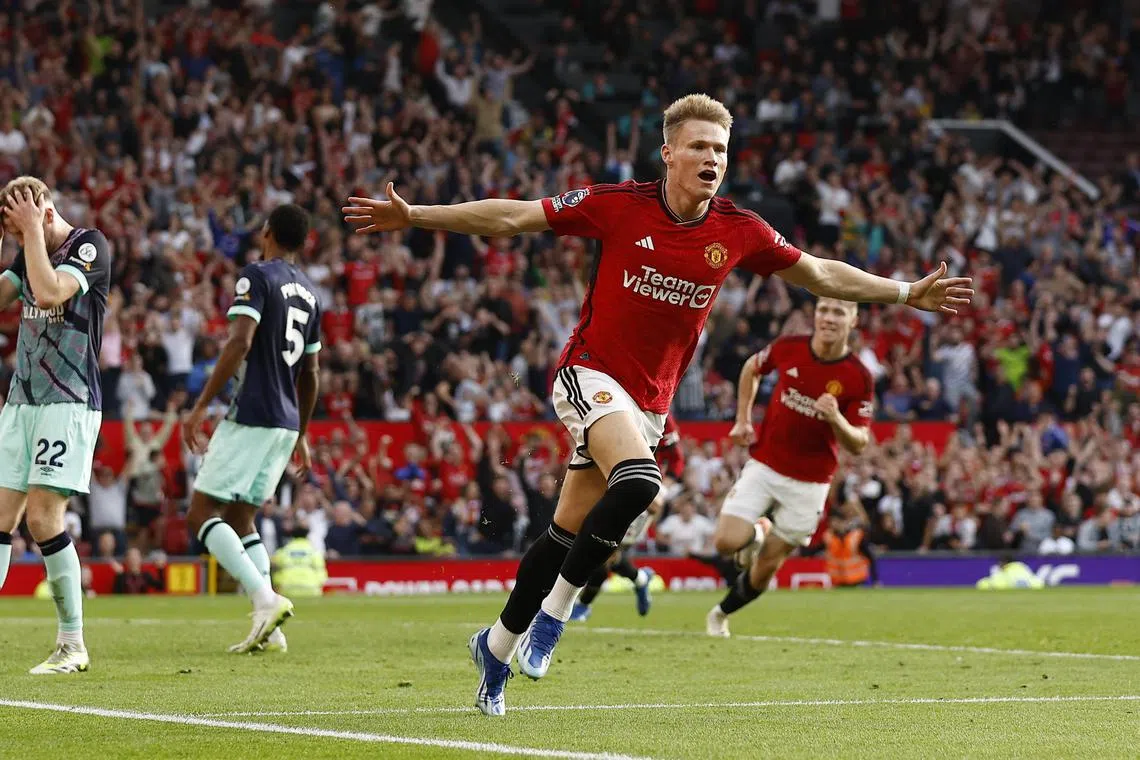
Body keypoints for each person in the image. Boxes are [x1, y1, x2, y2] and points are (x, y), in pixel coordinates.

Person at [343, 93, 972, 716]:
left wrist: (904, 292)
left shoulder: (739, 229)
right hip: (589, 373)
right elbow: (513, 218)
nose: (712, 158)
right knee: (642, 482)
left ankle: (496, 647)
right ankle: (556, 614)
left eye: (720, 149)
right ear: (667, 153)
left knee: (564, 534)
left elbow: (821, 273)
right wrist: (416, 214)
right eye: (698, 146)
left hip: (649, 402)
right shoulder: (619, 204)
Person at [182, 204, 322, 655]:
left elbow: (240, 341)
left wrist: (200, 405)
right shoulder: (311, 293)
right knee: (242, 518)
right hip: (286, 422)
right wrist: (301, 432)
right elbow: (311, 372)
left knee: (200, 513)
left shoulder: (257, 276)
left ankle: (265, 600)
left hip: (255, 412)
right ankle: (272, 630)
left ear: (267, 232)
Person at [706, 297, 876, 637]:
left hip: (811, 483)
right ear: (815, 315)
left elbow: (859, 442)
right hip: (765, 465)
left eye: (839, 312)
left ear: (853, 321)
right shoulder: (789, 347)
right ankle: (758, 532)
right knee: (725, 542)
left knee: (766, 567)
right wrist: (743, 419)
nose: (829, 318)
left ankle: (720, 614)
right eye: (824, 310)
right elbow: (752, 367)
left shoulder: (859, 377)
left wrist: (836, 418)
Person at [0, 176, 112, 674]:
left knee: (44, 520)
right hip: (22, 401)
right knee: (0, 518)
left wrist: (27, 234)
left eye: (26, 227)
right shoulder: (29, 252)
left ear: (46, 212)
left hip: (68, 401)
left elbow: (48, 294)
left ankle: (72, 644)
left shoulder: (89, 246)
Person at [271, 522, 327, 604]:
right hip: (311, 591)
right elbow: (322, 575)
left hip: (287, 591)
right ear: (307, 535)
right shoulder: (314, 552)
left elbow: (275, 573)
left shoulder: (282, 552)